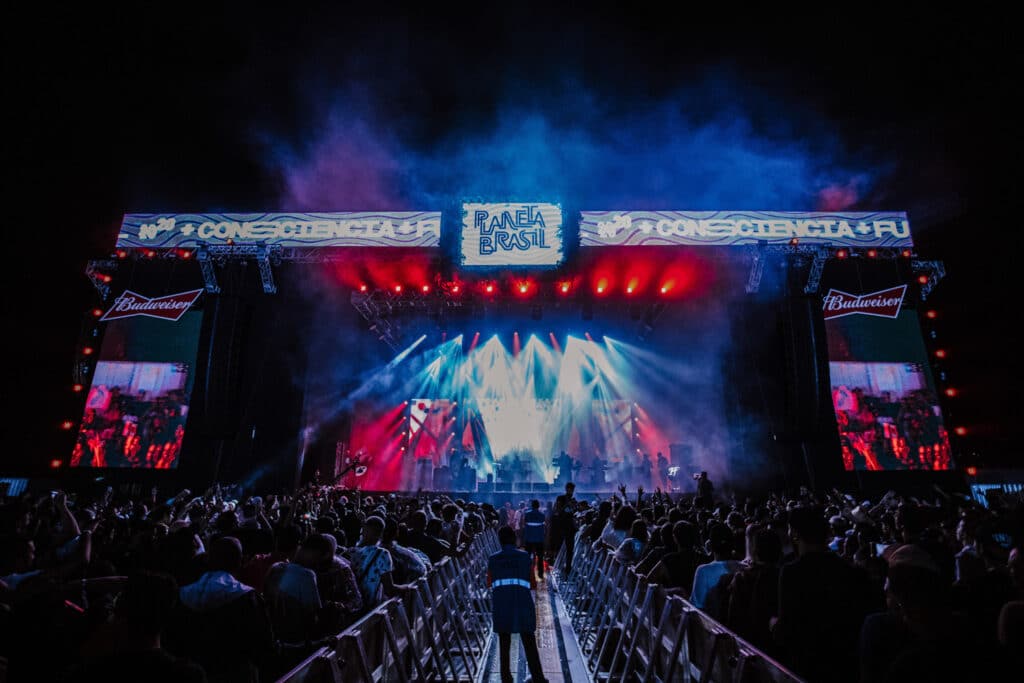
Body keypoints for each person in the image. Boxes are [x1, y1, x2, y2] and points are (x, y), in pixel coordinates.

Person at [488, 526, 548, 683]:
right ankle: (538, 677)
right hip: (522, 603)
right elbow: (533, 584)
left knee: (504, 641)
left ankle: (506, 677)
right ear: (515, 539)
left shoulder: (493, 559)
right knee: (529, 641)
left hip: (502, 604)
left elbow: (489, 582)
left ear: (499, 540)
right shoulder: (525, 557)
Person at [522, 499, 547, 579]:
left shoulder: (527, 514)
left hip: (529, 539)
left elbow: (523, 525)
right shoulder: (542, 515)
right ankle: (540, 574)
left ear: (531, 506)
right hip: (539, 539)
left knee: (527, 557)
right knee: (540, 557)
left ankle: (526, 572)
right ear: (538, 506)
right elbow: (544, 527)